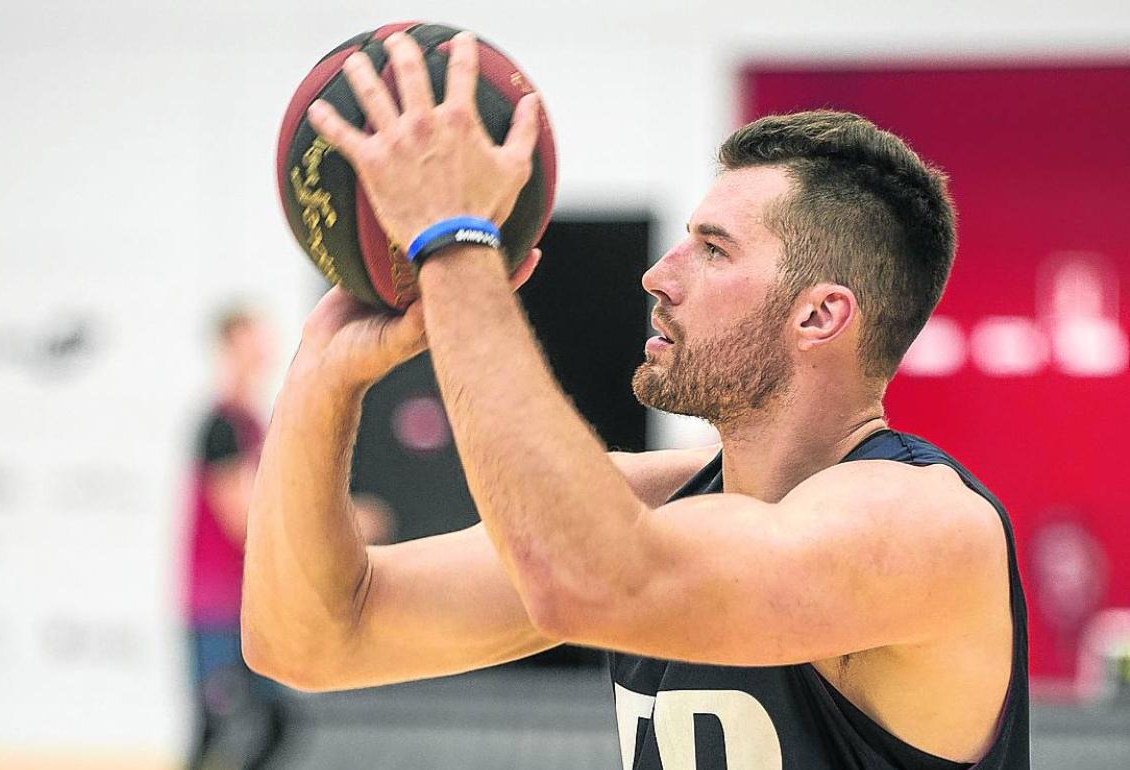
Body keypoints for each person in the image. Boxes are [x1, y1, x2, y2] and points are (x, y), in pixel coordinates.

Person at [242, 31, 1029, 769]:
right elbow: (309, 641)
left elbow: (587, 578)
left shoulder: (926, 528)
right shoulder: (656, 508)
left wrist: (456, 242)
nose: (659, 275)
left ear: (819, 315)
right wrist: (323, 375)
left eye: (713, 250)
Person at [182, 307, 290, 770]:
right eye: (252, 340)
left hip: (246, 606)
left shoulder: (251, 425)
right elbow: (240, 519)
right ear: (228, 348)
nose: (262, 350)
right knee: (224, 725)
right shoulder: (221, 426)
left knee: (271, 723)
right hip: (217, 607)